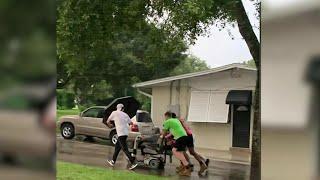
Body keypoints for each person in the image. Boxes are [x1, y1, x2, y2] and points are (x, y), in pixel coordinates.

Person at [106, 104, 138, 170]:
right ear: (122, 108)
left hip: (120, 133)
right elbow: (131, 123)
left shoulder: (114, 113)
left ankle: (133, 162)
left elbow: (107, 121)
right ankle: (113, 161)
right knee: (117, 148)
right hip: (125, 133)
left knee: (124, 149)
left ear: (117, 108)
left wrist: (110, 125)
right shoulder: (125, 114)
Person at [161, 111, 192, 176]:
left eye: (165, 117)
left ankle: (187, 166)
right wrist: (167, 136)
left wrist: (162, 137)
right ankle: (186, 168)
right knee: (180, 152)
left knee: (174, 151)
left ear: (166, 116)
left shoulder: (167, 121)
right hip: (184, 136)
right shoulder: (175, 120)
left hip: (180, 137)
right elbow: (173, 131)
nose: (165, 118)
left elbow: (163, 133)